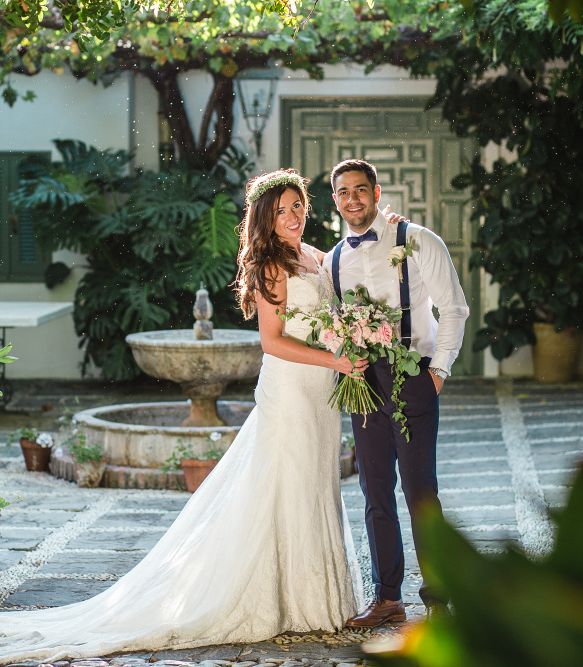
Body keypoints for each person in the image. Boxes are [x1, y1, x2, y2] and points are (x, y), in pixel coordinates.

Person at [0, 169, 370, 665]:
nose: (292, 216)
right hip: (291, 390)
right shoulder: (270, 266)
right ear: (265, 217)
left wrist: (353, 337)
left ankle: (316, 598)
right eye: (281, 210)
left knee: (315, 484)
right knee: (288, 483)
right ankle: (288, 602)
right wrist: (337, 360)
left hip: (321, 395)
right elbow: (272, 342)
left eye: (297, 206)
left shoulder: (318, 257)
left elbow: (338, 310)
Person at [324, 159, 469, 627]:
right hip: (363, 383)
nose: (353, 200)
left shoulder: (417, 240)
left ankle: (440, 598)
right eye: (344, 192)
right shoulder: (333, 260)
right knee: (375, 491)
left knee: (420, 490)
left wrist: (439, 372)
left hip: (414, 377)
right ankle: (387, 597)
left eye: (360, 190)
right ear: (336, 201)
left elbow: (455, 308)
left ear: (377, 191)